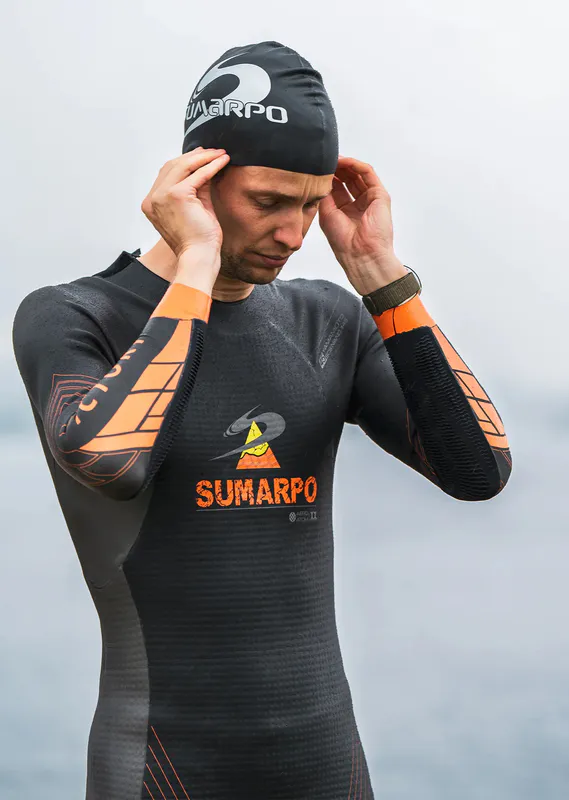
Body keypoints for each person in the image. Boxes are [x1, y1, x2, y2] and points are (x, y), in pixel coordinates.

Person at [12, 40, 512, 800]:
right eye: (269, 202)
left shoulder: (326, 322)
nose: (295, 235)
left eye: (310, 205)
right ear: (198, 179)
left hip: (325, 764)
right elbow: (112, 461)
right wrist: (197, 261)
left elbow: (478, 470)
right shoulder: (74, 316)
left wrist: (379, 275)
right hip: (161, 767)